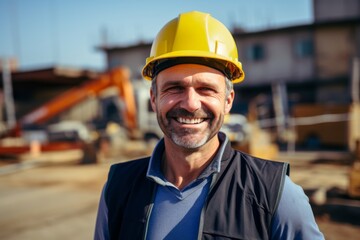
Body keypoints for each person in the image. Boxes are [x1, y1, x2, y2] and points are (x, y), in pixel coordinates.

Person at [94, 11, 324, 240]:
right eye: (174, 88)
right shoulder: (118, 188)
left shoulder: (276, 193)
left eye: (206, 89)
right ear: (154, 99)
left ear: (228, 101)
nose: (191, 104)